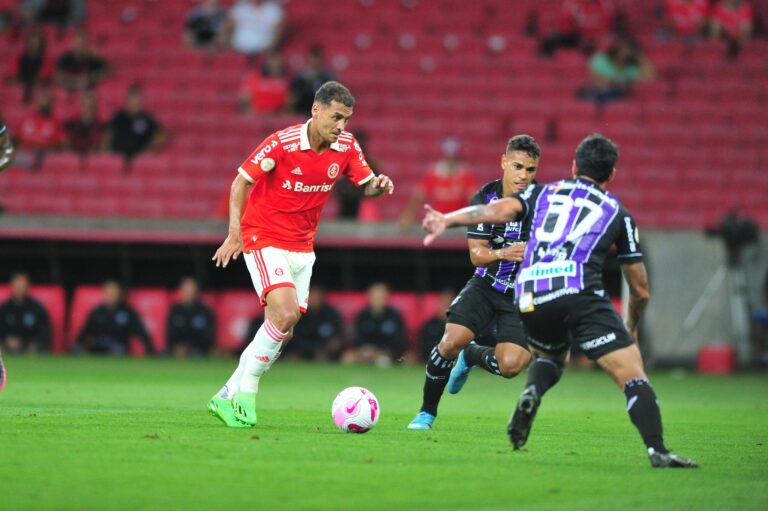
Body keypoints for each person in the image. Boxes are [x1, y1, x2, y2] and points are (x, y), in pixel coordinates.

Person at [422, 133, 698, 468]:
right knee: (631, 374)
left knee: (549, 356)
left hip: (531, 292)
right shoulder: (617, 212)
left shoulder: (543, 192)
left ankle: (532, 391)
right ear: (611, 176)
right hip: (579, 292)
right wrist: (632, 327)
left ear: (573, 166)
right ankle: (657, 450)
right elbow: (639, 289)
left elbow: (498, 210)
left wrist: (448, 219)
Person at [208, 80, 394, 428]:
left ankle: (223, 396)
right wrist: (235, 234)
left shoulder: (347, 147)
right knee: (285, 314)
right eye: (336, 117)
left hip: (303, 247)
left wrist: (378, 186)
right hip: (263, 237)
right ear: (316, 110)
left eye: (347, 119)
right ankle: (245, 396)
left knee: (284, 327)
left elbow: (365, 184)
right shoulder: (283, 143)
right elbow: (240, 182)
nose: (342, 126)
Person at [407, 134, 541, 430]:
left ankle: (473, 355)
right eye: (517, 166)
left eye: (530, 170)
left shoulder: (540, 203)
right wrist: (505, 252)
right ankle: (426, 412)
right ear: (504, 162)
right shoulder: (485, 198)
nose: (523, 175)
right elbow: (477, 256)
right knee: (450, 341)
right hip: (486, 283)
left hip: (522, 295)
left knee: (511, 367)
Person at [399, 137, 477, 229]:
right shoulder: (433, 173)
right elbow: (418, 196)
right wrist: (408, 214)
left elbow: (473, 198)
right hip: (438, 222)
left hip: (458, 223)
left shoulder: (465, 174)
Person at [72, 280, 155, 356]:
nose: (111, 296)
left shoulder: (128, 312)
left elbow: (141, 332)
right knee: (80, 350)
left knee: (118, 350)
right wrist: (77, 344)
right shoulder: (97, 312)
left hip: (118, 348)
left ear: (119, 294)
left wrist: (150, 350)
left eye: (113, 293)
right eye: (108, 293)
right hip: (98, 346)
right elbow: (84, 331)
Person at [342, 282, 407, 366]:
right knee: (347, 358)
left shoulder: (395, 316)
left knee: (383, 362)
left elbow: (399, 341)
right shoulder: (362, 316)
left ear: (387, 298)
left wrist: (380, 352)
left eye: (381, 298)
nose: (378, 300)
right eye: (376, 297)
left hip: (386, 354)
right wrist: (364, 350)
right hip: (364, 353)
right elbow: (356, 339)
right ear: (369, 297)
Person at [579, 38, 655, 103]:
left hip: (618, 97)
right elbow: (597, 81)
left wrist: (640, 58)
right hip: (598, 93)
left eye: (628, 51)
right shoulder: (600, 59)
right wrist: (615, 82)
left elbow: (649, 78)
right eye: (622, 50)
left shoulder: (630, 68)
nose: (624, 53)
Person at [102, 86, 165, 164]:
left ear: (141, 101)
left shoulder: (147, 118)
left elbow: (161, 135)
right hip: (116, 159)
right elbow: (108, 133)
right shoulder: (119, 116)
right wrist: (106, 148)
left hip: (139, 162)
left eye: (137, 100)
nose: (134, 102)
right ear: (127, 100)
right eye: (132, 99)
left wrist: (150, 149)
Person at [284, 285, 344, 361]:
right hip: (301, 351)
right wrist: (314, 349)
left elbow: (338, 336)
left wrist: (329, 347)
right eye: (313, 297)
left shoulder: (331, 314)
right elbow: (294, 337)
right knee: (291, 358)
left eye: (318, 298)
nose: (316, 300)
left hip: (325, 352)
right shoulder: (298, 314)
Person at [538, 0, 617, 57]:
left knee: (613, 44)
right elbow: (566, 28)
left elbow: (608, 26)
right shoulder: (571, 4)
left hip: (597, 38)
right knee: (551, 39)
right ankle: (547, 66)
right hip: (577, 37)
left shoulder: (606, 5)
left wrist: (596, 38)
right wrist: (580, 37)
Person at [0, 273, 52, 353]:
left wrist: (26, 343)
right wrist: (6, 340)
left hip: (30, 347)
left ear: (28, 287)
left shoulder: (37, 308)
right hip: (8, 347)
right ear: (12, 286)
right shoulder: (4, 308)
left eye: (22, 287)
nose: (20, 290)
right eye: (17, 287)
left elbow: (45, 332)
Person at [166, 277, 215, 358]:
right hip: (176, 352)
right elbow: (169, 335)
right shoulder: (174, 311)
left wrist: (190, 348)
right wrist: (176, 348)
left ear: (197, 293)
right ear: (181, 292)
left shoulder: (205, 311)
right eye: (186, 291)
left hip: (200, 351)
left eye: (191, 291)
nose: (189, 294)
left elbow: (208, 337)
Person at [17, 89, 64, 170]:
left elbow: (60, 143)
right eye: (42, 102)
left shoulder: (55, 122)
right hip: (26, 154)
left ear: (51, 104)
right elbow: (17, 138)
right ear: (37, 103)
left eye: (47, 103)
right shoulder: (27, 119)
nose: (44, 105)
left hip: (46, 156)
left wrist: (44, 148)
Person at [289, 44, 336, 114]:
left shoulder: (328, 78)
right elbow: (292, 97)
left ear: (321, 59)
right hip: (301, 112)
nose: (314, 61)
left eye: (316, 58)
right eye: (312, 58)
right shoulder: (300, 78)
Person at [238, 50, 289, 114]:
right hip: (256, 116)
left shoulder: (287, 81)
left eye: (276, 60)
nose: (274, 64)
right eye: (272, 60)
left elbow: (289, 104)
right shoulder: (255, 77)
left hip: (277, 117)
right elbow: (244, 99)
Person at [9, 30, 53, 103]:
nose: (35, 47)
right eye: (32, 44)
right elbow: (14, 78)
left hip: (37, 91)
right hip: (18, 89)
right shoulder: (17, 58)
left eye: (38, 44)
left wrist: (26, 79)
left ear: (42, 45)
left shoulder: (47, 61)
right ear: (27, 44)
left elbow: (42, 79)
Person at [417, 288, 456, 362]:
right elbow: (423, 347)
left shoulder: (460, 326)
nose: (446, 307)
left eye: (448, 304)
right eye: (444, 303)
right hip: (429, 360)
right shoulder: (429, 324)